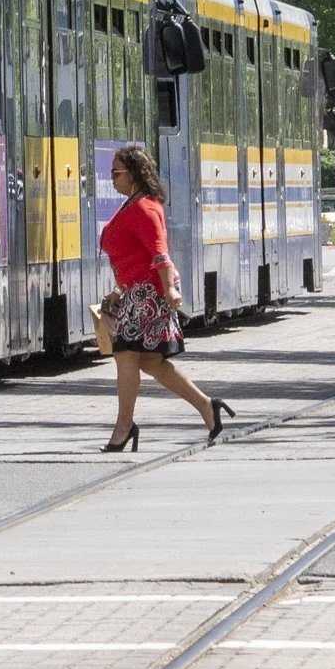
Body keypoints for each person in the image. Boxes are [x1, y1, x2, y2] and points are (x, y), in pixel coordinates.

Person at [95, 144, 232, 452]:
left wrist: (169, 288)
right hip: (135, 292)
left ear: (132, 175)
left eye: (115, 172)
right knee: (151, 362)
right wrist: (118, 290)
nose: (111, 178)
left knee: (126, 355)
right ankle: (207, 407)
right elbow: (135, 256)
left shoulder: (144, 207)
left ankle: (123, 427)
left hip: (149, 294)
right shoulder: (132, 203)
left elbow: (159, 252)